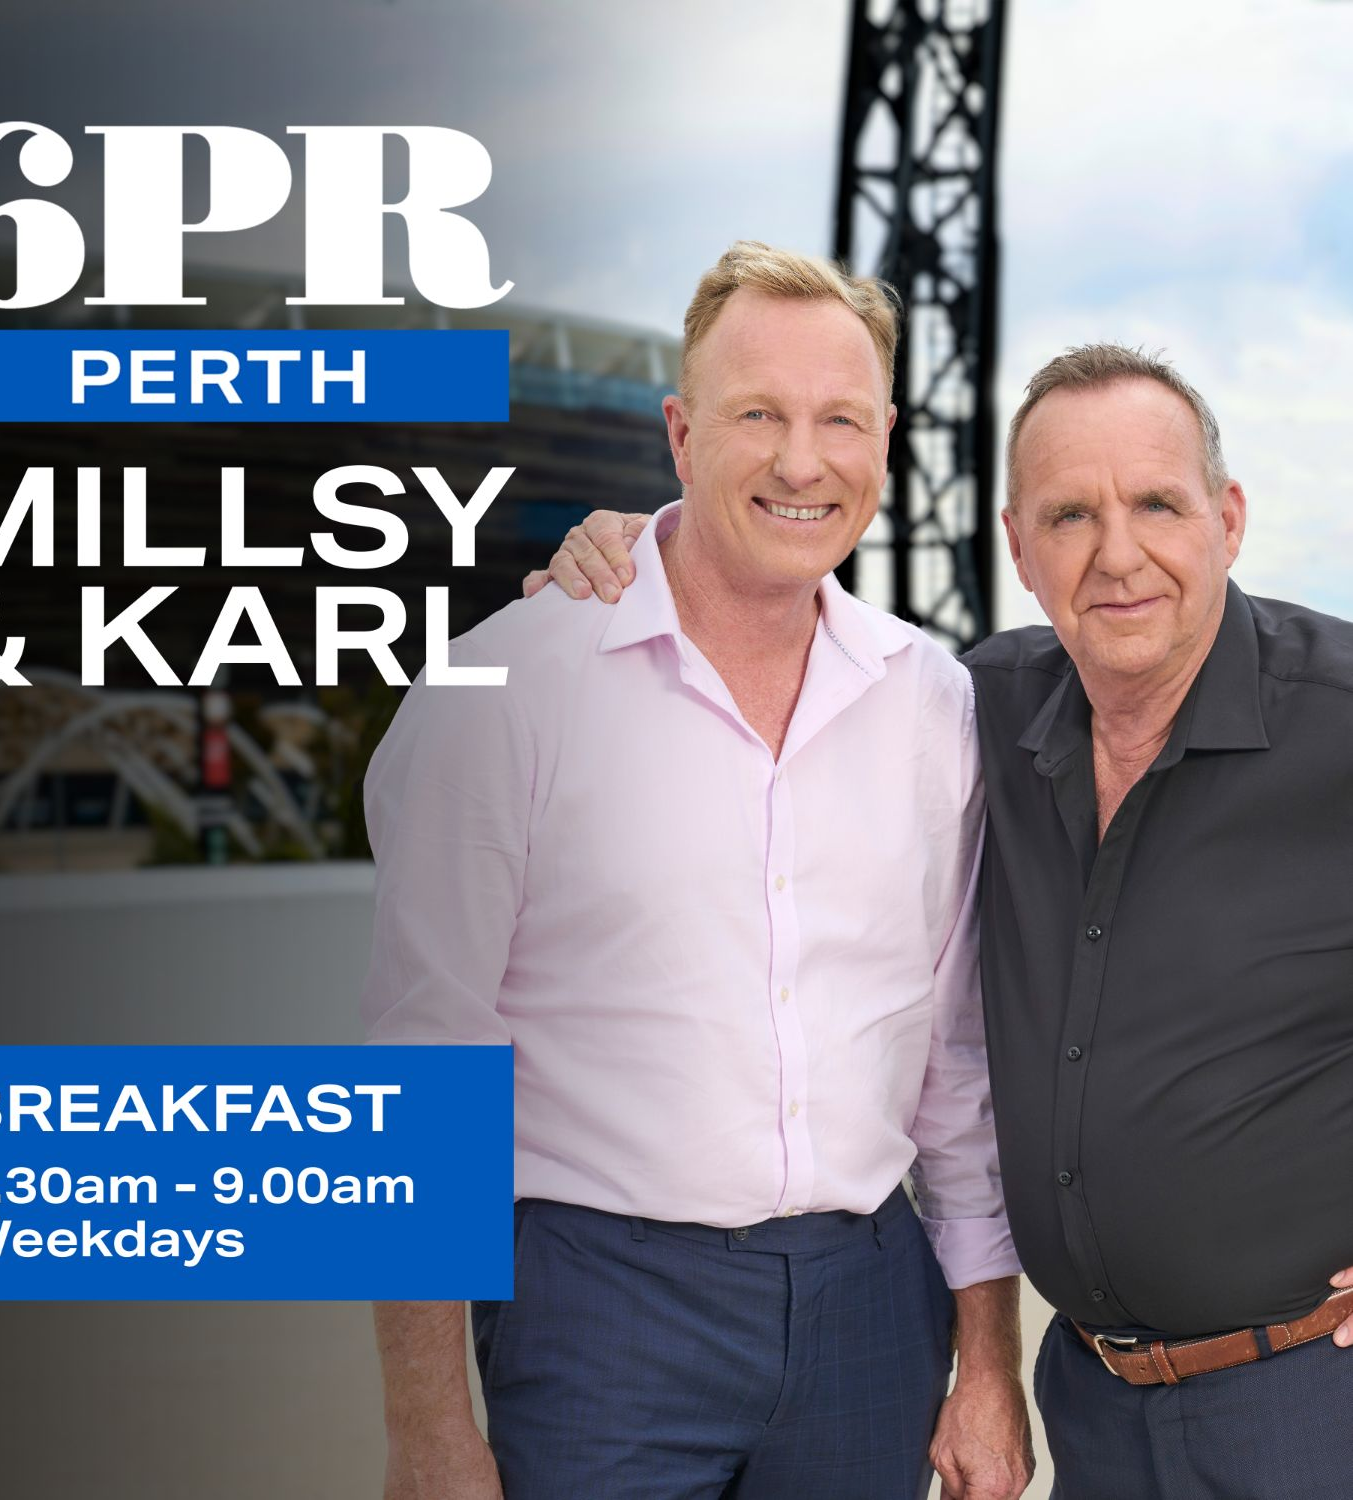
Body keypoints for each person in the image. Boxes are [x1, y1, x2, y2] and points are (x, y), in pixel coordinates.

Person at [532, 341, 1353, 1498]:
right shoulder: (975, 710)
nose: (1118, 556)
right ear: (1018, 545)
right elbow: (779, 629)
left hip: (1312, 1399)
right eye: (1070, 516)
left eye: (1157, 505)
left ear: (1227, 516)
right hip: (1098, 1409)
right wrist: (639, 557)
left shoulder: (1341, 723)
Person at [362, 241, 1033, 1500]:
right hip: (596, 1310)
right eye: (757, 416)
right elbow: (421, 1071)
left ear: (885, 441)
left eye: (841, 419)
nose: (800, 461)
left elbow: (954, 1070)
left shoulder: (932, 704)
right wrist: (428, 1431)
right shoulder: (512, 685)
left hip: (872, 1315)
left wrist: (986, 1357)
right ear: (680, 434)